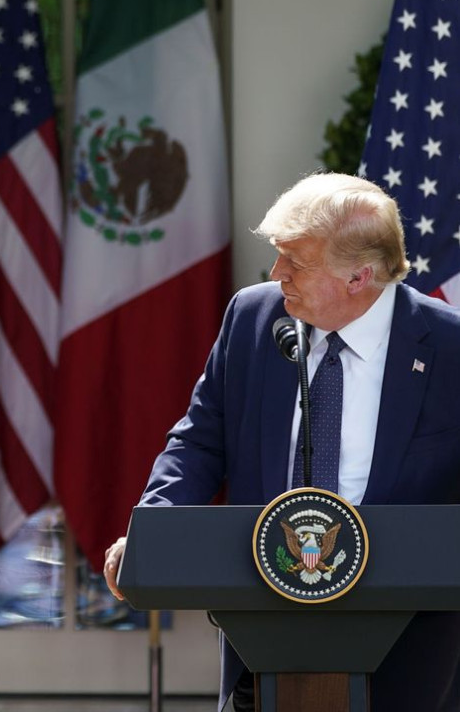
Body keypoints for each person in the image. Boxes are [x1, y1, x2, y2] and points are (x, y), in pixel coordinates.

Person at [102, 172, 460, 712]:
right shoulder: (253, 317)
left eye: (297, 262)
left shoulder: (448, 347)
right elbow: (199, 441)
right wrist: (156, 528)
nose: (277, 274)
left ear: (359, 276)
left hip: (410, 647)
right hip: (263, 632)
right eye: (278, 256)